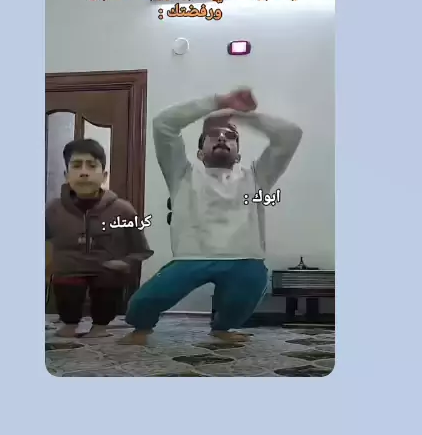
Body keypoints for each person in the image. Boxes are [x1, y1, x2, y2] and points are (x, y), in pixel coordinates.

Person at [119, 88, 302, 345]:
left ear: (238, 154)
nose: (222, 138)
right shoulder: (181, 174)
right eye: (213, 135)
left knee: (253, 279)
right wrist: (217, 102)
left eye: (231, 136)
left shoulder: (256, 177)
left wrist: (239, 116)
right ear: (199, 152)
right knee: (144, 302)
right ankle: (141, 329)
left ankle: (223, 328)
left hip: (243, 259)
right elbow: (163, 124)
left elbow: (291, 134)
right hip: (191, 258)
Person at [45, 138, 153, 338]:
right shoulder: (53, 209)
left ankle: (100, 327)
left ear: (104, 175)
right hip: (68, 272)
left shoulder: (123, 210)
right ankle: (70, 324)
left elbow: (141, 249)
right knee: (66, 285)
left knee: (108, 285)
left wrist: (125, 262)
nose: (84, 172)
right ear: (66, 175)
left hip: (107, 273)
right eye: (76, 165)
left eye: (91, 165)